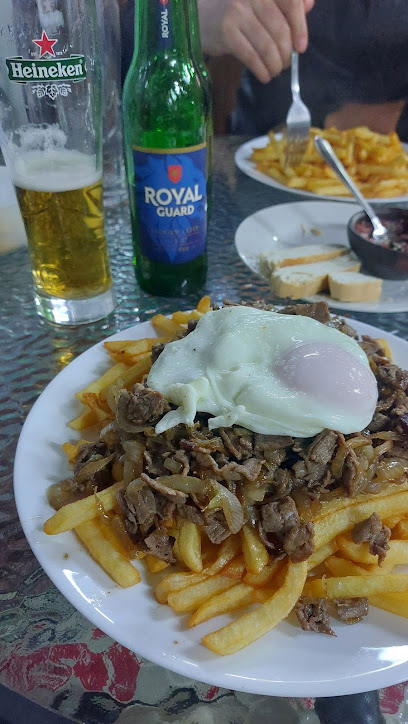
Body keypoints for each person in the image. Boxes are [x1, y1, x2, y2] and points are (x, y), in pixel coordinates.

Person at [120, 0, 408, 140]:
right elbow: (116, 52)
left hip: (396, 181)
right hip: (259, 165)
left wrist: (339, 122)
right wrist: (184, 17)